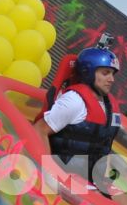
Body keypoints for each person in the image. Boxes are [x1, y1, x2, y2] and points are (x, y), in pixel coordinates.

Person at [40, 45, 122, 189]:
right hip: (67, 176)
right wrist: (49, 173)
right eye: (105, 73)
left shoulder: (108, 105)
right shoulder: (74, 101)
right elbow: (39, 130)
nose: (111, 79)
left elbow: (102, 146)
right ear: (88, 72)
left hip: (94, 180)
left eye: (112, 74)